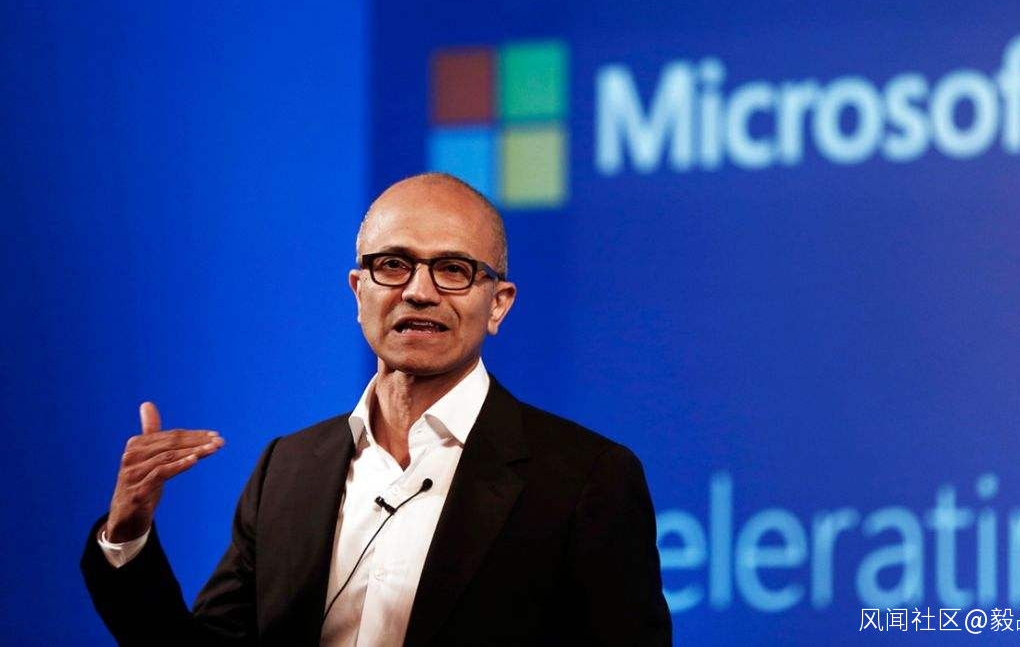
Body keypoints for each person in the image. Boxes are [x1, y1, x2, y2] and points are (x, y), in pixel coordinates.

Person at [81, 172, 672, 646]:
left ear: (498, 304)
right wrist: (127, 536)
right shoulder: (288, 468)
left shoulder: (585, 478)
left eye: (453, 269)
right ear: (358, 291)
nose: (419, 290)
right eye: (393, 265)